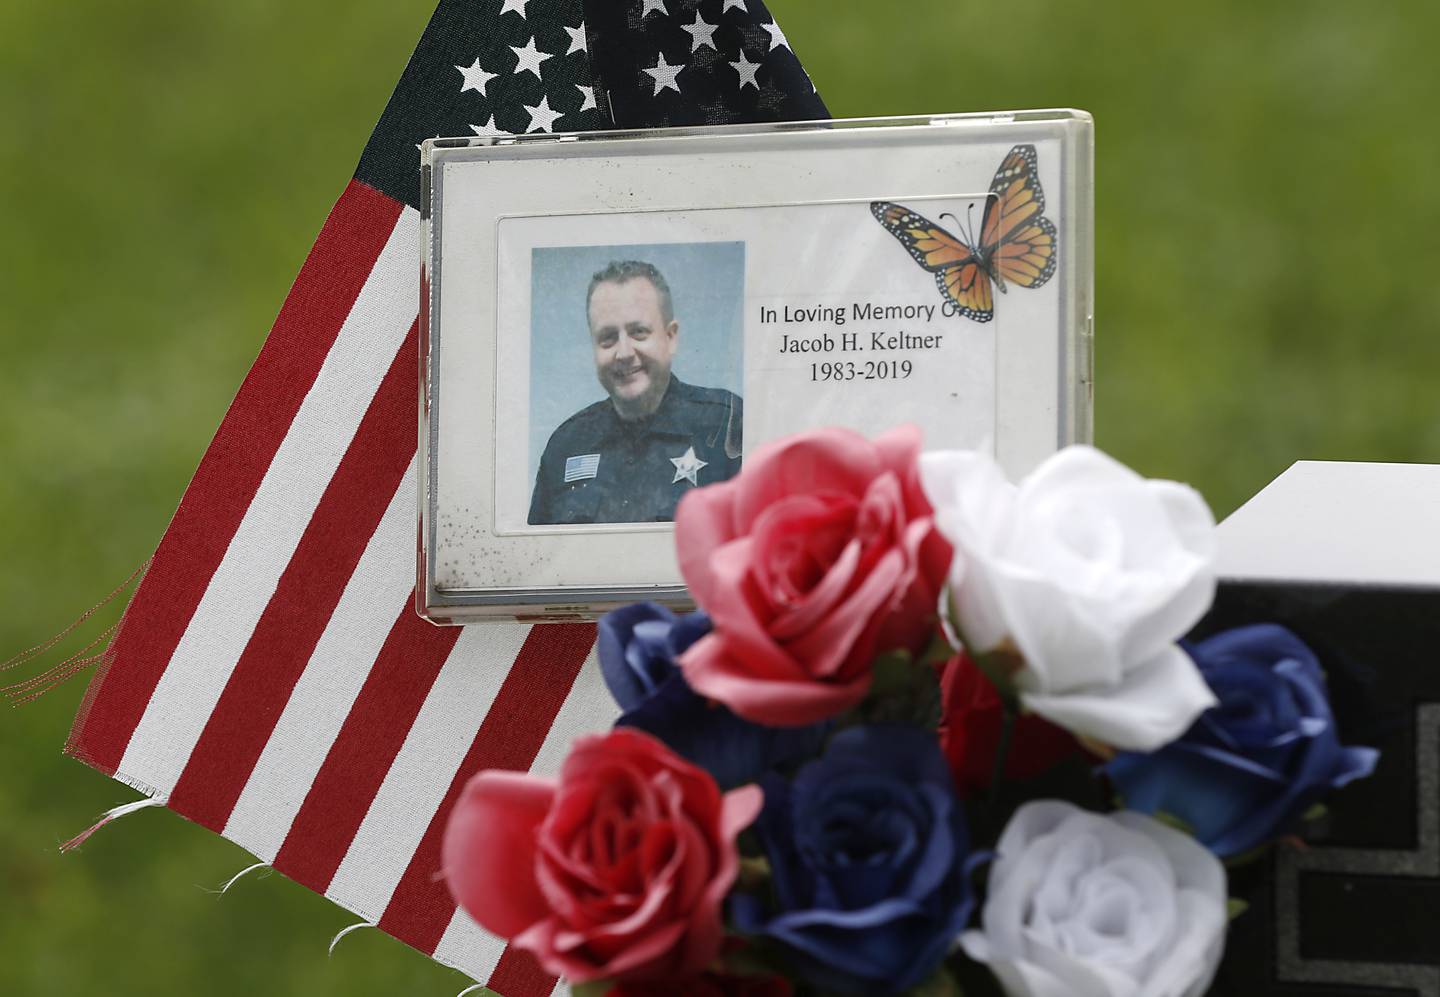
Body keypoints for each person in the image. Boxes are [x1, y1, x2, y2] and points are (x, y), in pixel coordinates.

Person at [528, 259, 743, 525]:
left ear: (671, 337)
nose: (624, 353)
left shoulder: (726, 426)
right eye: (607, 338)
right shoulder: (566, 445)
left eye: (638, 332)